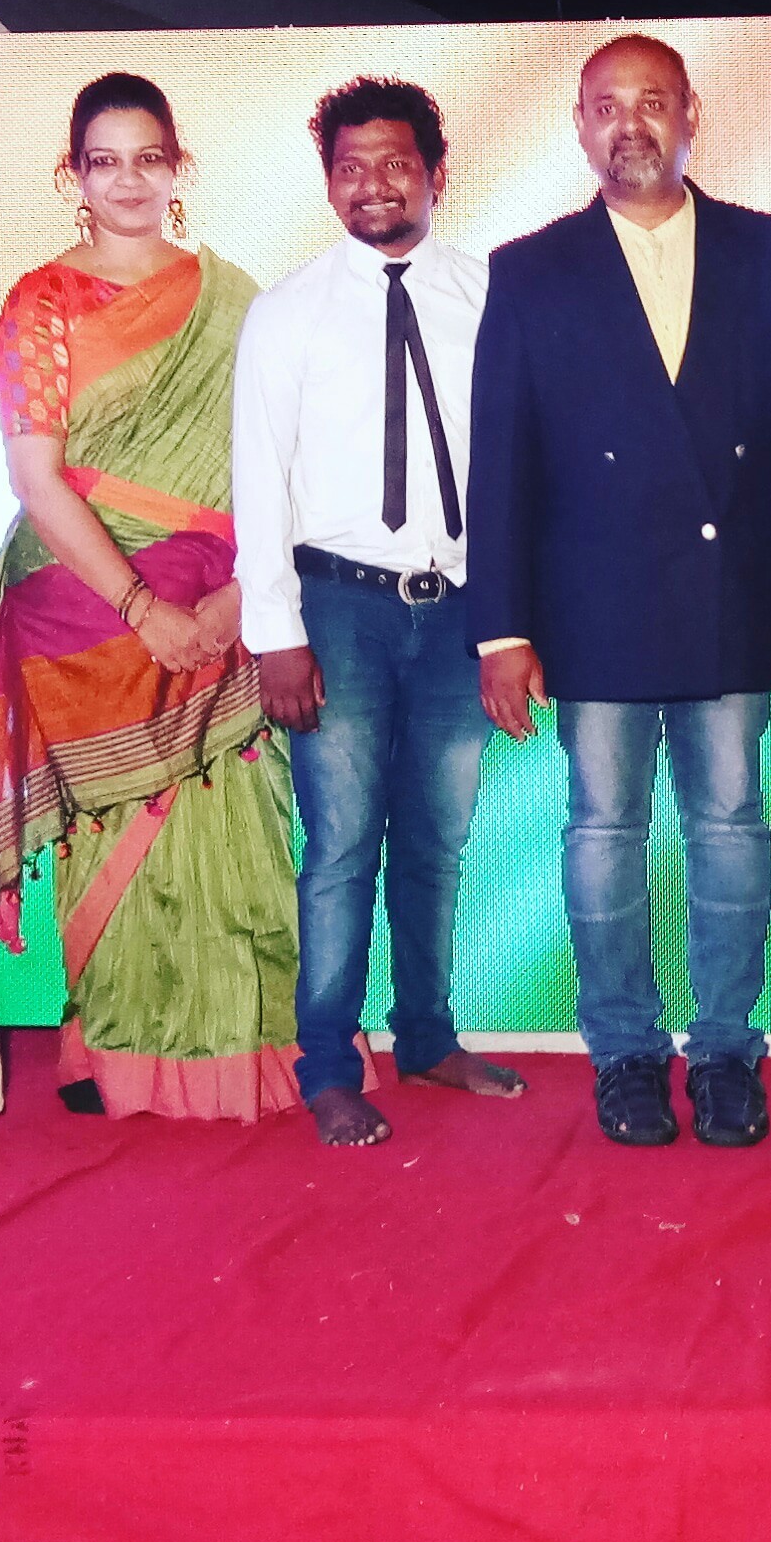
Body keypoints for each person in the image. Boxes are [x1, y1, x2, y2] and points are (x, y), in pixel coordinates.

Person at [468, 35, 771, 1150]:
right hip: (594, 602)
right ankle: (624, 1052)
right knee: (602, 830)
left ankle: (725, 1051)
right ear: (581, 125)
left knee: (730, 827)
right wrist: (501, 629)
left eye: (653, 101)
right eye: (606, 105)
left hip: (736, 592)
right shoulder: (529, 268)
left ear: (691, 115)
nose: (630, 123)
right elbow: (501, 462)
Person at [0, 73, 299, 1120]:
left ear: (179, 168)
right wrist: (139, 606)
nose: (127, 180)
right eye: (104, 161)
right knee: (116, 826)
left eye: (147, 158)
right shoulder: (40, 300)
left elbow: (277, 461)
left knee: (232, 815)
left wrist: (241, 595)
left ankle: (242, 1050)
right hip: (82, 599)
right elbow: (36, 479)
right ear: (72, 176)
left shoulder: (235, 299)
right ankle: (119, 1054)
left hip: (220, 591)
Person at [233, 77, 524, 1146]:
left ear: (436, 174)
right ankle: (326, 1064)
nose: (373, 185)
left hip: (459, 610)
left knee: (438, 840)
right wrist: (277, 634)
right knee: (342, 846)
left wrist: (511, 624)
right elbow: (258, 479)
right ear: (328, 184)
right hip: (338, 608)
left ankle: (428, 1036)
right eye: (350, 167)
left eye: (396, 163)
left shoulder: (491, 297)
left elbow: (518, 464)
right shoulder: (286, 312)